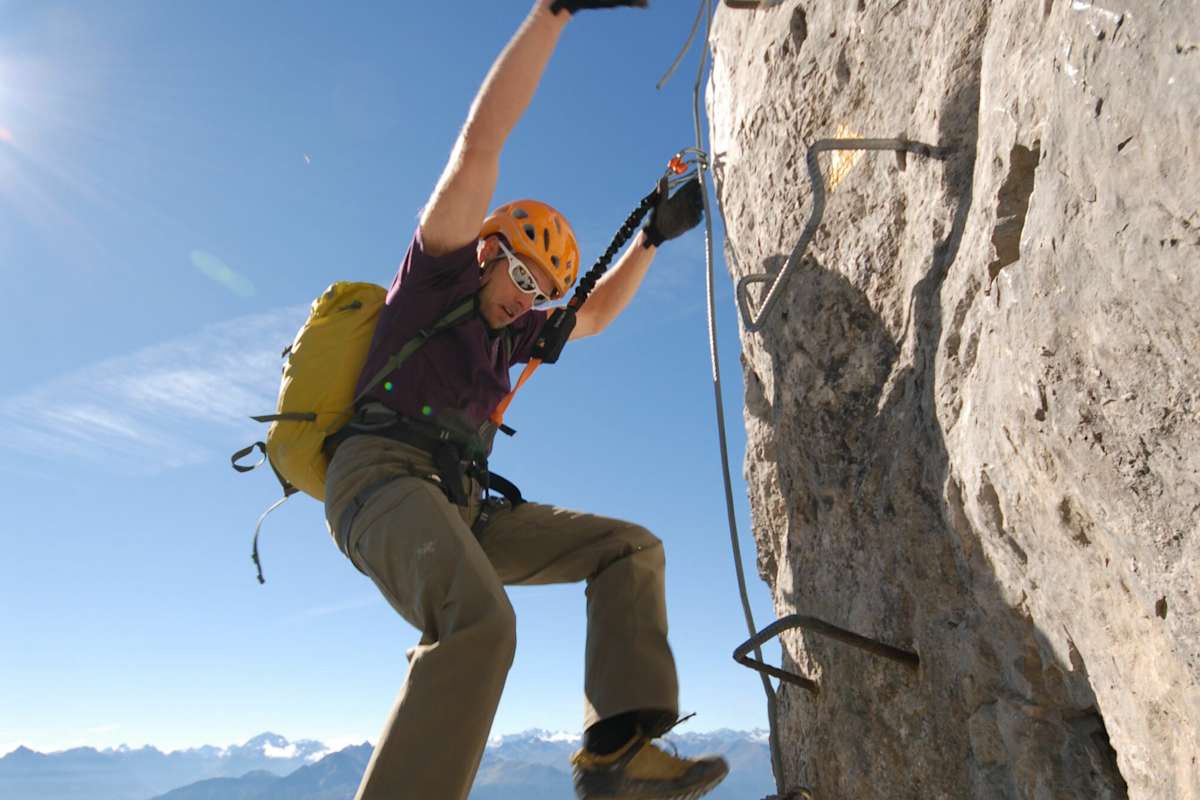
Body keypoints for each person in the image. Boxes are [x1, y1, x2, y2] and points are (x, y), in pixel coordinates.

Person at [322, 2, 728, 798]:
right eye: (518, 274)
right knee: (481, 625)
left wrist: (650, 239)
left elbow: (595, 315)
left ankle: (617, 757)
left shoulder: (515, 336)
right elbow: (482, 141)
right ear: (486, 251)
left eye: (540, 290)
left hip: (460, 503)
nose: (525, 297)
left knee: (628, 549)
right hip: (379, 477)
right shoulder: (435, 276)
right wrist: (553, 14)